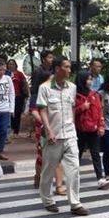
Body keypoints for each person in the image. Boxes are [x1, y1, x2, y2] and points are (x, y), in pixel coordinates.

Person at [36, 56, 88, 216]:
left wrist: (71, 124)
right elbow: (42, 110)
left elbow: (72, 106)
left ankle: (75, 203)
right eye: (66, 67)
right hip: (53, 136)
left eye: (69, 67)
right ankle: (47, 200)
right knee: (48, 169)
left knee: (74, 169)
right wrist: (49, 130)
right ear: (57, 68)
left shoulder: (71, 87)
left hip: (70, 134)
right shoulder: (44, 88)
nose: (69, 70)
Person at [28, 50, 64, 192]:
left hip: (57, 124)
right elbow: (34, 110)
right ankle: (38, 176)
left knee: (58, 155)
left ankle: (59, 185)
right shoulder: (38, 92)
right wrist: (44, 123)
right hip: (43, 126)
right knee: (43, 155)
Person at [74, 71, 106, 188]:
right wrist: (83, 107)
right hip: (80, 130)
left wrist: (101, 125)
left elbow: (99, 111)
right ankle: (73, 178)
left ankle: (100, 178)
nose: (90, 82)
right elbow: (71, 112)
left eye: (90, 79)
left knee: (95, 154)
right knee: (77, 154)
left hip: (93, 129)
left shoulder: (95, 95)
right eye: (88, 79)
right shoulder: (75, 95)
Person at [8, 59, 30, 138]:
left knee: (17, 114)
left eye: (12, 64)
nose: (11, 65)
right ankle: (11, 129)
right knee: (10, 114)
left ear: (15, 65)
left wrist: (28, 93)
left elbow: (24, 83)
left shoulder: (19, 74)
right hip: (8, 97)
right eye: (9, 64)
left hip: (18, 96)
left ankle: (16, 132)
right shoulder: (5, 74)